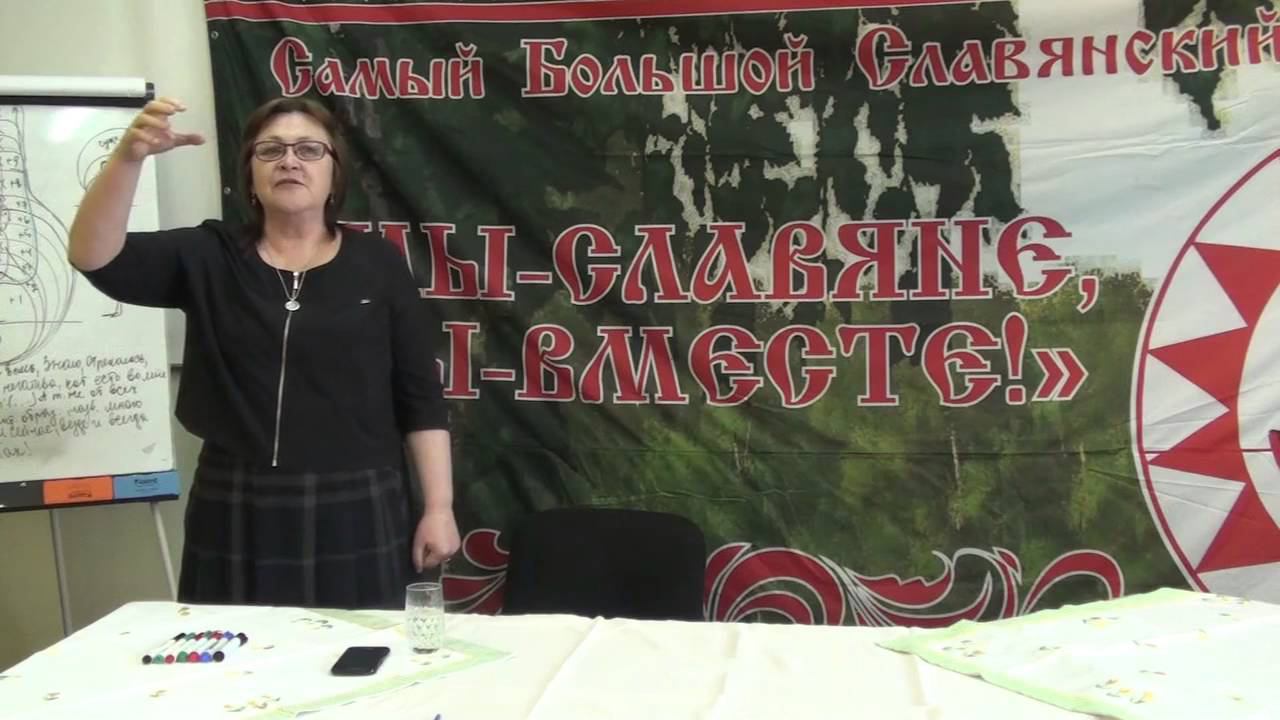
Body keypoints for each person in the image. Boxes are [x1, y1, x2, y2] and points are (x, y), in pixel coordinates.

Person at [67, 95, 461, 609]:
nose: (289, 161)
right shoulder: (209, 255)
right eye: (270, 150)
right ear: (250, 177)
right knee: (233, 650)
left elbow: (420, 396)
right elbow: (93, 256)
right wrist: (129, 158)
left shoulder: (378, 264)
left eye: (308, 150)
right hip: (235, 498)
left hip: (357, 500)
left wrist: (439, 507)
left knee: (357, 650)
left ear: (334, 175)